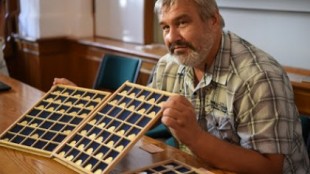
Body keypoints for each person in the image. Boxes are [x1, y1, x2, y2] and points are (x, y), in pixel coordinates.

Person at [54, 0, 309, 173]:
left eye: (182, 23)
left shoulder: (258, 76)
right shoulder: (169, 65)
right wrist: (85, 100)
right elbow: (140, 115)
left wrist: (194, 137)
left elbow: (269, 168)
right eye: (165, 27)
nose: (171, 37)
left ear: (214, 21)